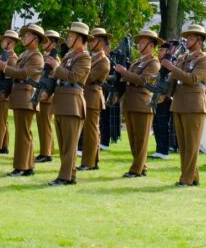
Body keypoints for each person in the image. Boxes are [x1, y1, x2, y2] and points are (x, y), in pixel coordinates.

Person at [46, 22, 91, 186]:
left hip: (73, 103)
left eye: (71, 36)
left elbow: (74, 77)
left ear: (80, 38)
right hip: (62, 101)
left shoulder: (85, 57)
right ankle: (69, 175)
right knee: (64, 143)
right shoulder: (69, 56)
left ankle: (64, 177)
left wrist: (56, 67)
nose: (68, 38)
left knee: (70, 145)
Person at [0, 24, 46, 176]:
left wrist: (5, 69)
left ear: (36, 39)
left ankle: (22, 167)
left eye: (27, 35)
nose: (24, 37)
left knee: (23, 133)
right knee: (23, 132)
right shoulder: (25, 54)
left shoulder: (36, 56)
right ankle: (28, 165)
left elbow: (25, 73)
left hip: (27, 96)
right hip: (20, 94)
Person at [162, 24, 206, 187]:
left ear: (200, 41)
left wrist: (172, 68)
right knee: (184, 144)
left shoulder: (203, 59)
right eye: (187, 37)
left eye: (192, 38)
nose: (188, 40)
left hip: (194, 105)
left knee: (192, 144)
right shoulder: (182, 58)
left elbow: (193, 79)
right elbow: (174, 79)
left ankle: (186, 179)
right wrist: (164, 92)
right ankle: (193, 177)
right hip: (179, 103)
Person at [115, 30, 161, 178]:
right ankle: (142, 167)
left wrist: (124, 73)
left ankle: (136, 169)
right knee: (133, 139)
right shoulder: (137, 61)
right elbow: (130, 79)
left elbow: (142, 80)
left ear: (151, 45)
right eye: (139, 41)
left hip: (142, 103)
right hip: (130, 102)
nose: (139, 44)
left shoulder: (153, 62)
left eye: (143, 42)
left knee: (141, 139)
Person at [77, 28, 111, 170]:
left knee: (91, 131)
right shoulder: (91, 58)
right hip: (86, 95)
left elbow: (89, 78)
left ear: (101, 42)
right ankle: (92, 161)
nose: (91, 42)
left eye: (94, 40)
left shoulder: (103, 61)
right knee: (90, 130)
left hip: (93, 97)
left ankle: (89, 162)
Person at [35, 30, 62, 162]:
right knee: (42, 123)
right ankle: (47, 149)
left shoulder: (54, 59)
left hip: (47, 96)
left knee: (45, 124)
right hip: (42, 94)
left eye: (47, 40)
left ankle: (46, 154)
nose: (43, 43)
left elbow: (53, 76)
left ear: (53, 43)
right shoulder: (45, 57)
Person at [149, 42, 173, 160]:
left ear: (168, 52)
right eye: (159, 50)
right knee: (156, 124)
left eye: (162, 50)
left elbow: (172, 83)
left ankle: (164, 151)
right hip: (157, 97)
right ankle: (159, 150)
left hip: (165, 99)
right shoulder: (160, 65)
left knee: (163, 125)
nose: (159, 52)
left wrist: (167, 96)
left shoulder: (170, 65)